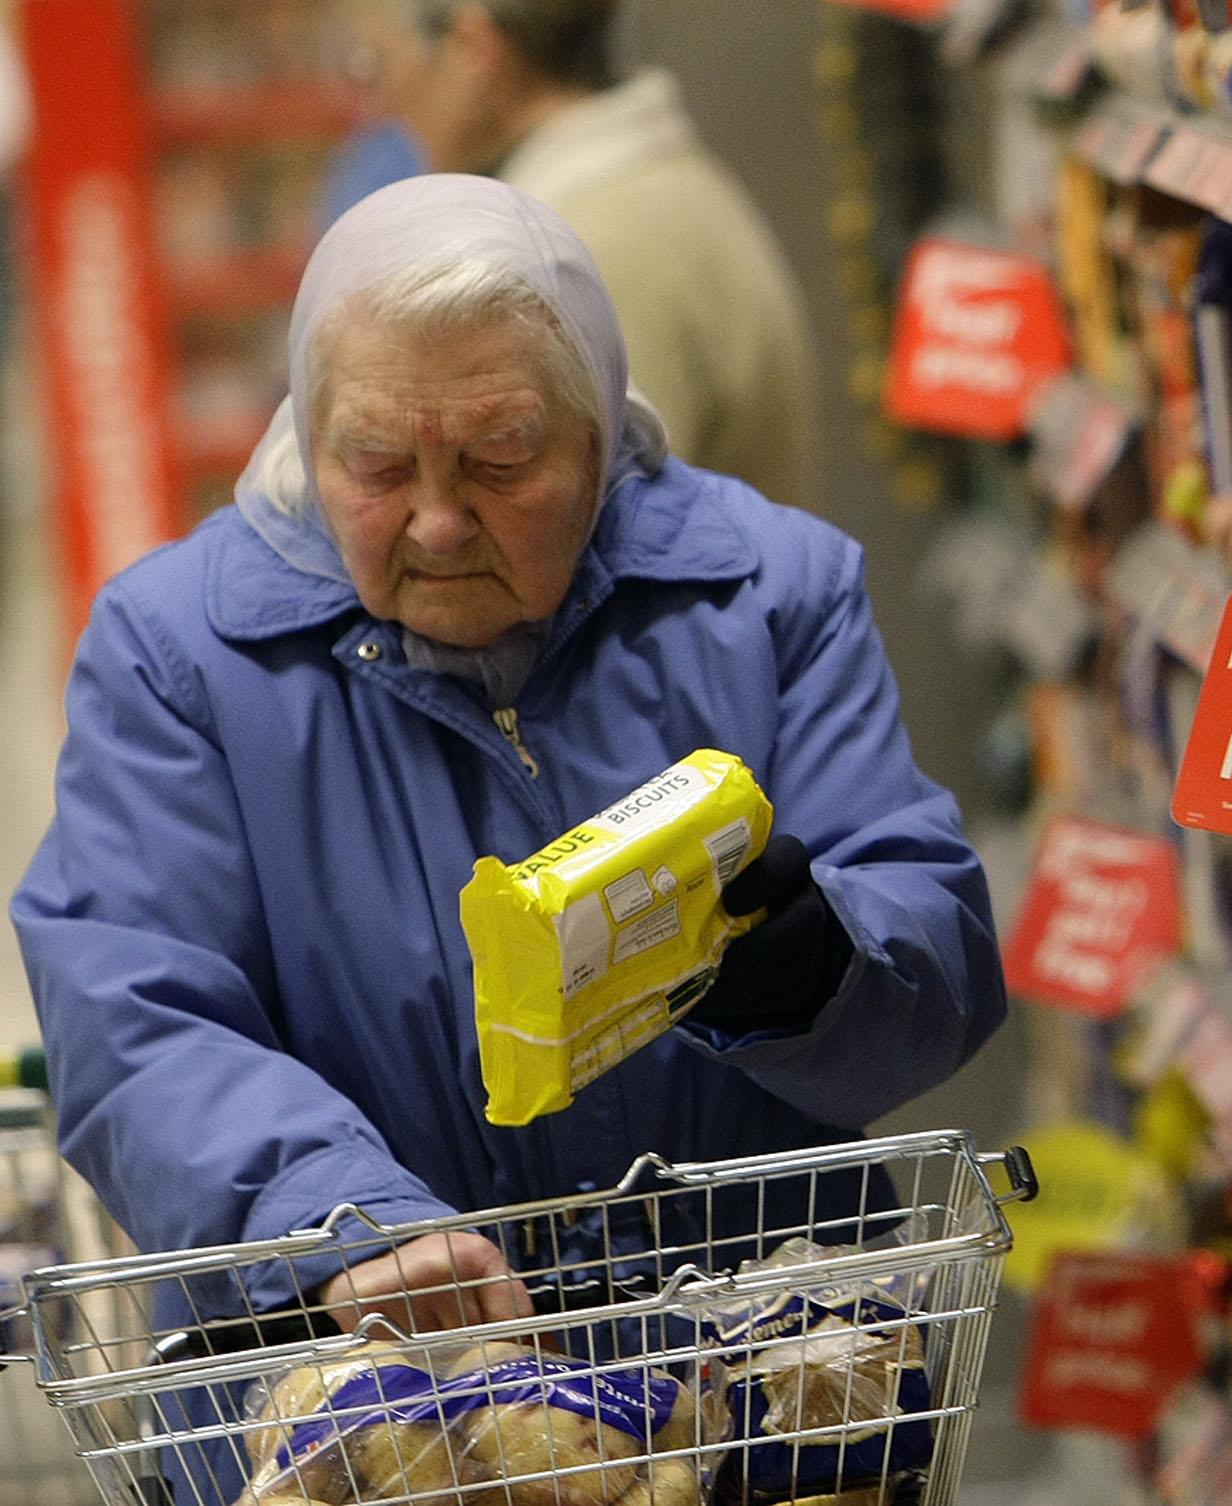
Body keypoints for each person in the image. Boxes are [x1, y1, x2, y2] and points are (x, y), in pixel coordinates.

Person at [12, 175, 1001, 1501]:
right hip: (371, 1389)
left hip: (742, 1392)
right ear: (308, 432)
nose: (434, 518)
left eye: (499, 461)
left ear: (602, 437)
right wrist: (341, 1220)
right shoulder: (178, 652)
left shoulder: (767, 591)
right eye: (373, 462)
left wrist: (819, 970)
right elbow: (135, 1019)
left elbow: (932, 942)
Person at [349, 0, 820, 503]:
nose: (381, 103)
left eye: (376, 62)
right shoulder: (646, 192)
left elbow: (604, 547)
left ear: (471, 49)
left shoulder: (582, 251)